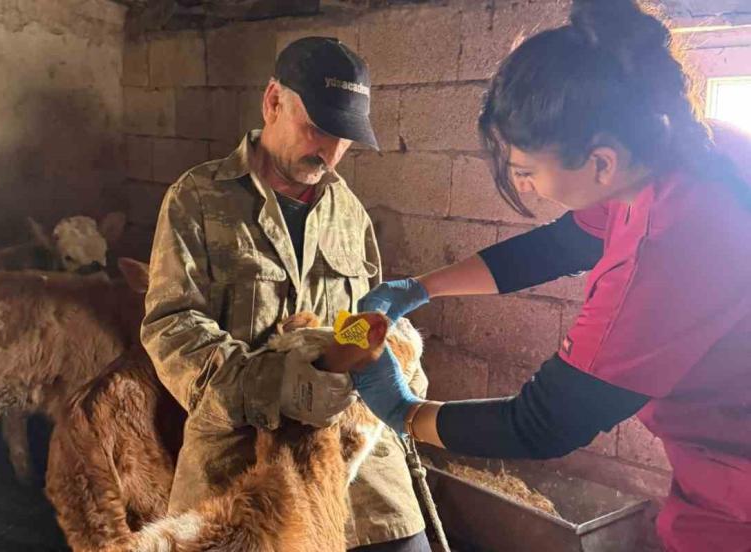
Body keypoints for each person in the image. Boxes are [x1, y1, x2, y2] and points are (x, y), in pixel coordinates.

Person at [351, 2, 751, 551]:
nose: (526, 186)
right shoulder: (683, 148)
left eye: (527, 171)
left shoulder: (663, 254)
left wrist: (404, 412)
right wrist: (422, 287)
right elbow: (560, 245)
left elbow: (542, 424)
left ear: (601, 162)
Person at [141, 37, 431, 551]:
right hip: (240, 456)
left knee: (405, 541)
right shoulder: (197, 198)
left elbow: (356, 321)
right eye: (318, 128)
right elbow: (172, 327)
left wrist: (389, 352)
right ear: (273, 101)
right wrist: (275, 383)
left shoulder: (349, 213)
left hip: (353, 465)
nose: (330, 152)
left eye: (345, 138)